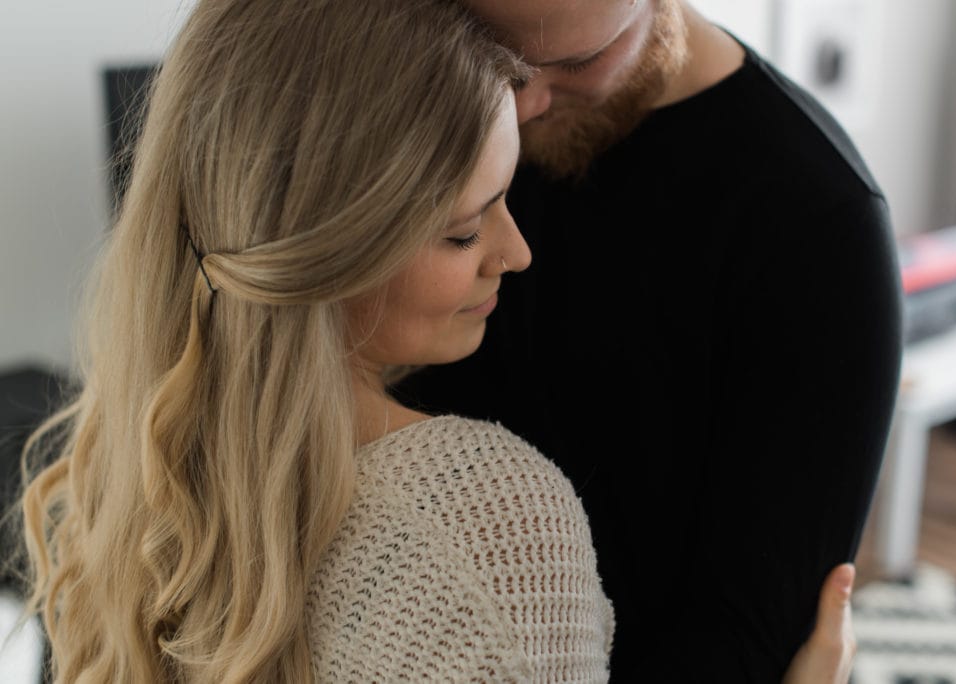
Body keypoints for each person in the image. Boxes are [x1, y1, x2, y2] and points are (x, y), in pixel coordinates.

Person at [14, 0, 856, 681]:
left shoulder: (120, 473)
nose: (518, 252)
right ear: (333, 244)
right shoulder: (493, 525)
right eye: (463, 231)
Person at [396, 0, 903, 681]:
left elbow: (745, 634)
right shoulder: (417, 113)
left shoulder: (816, 221)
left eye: (575, 63)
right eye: (498, 52)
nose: (521, 104)